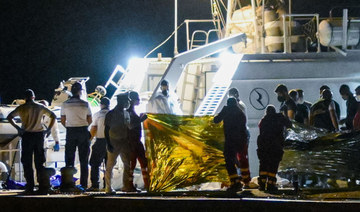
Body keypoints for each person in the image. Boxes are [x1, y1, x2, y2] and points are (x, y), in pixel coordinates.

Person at [7, 89, 56, 194]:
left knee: (27, 162)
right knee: (39, 162)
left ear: (25, 98)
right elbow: (53, 116)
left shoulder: (21, 108)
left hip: (27, 135)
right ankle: (42, 185)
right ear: (33, 97)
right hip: (39, 136)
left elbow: (9, 117)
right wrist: (47, 130)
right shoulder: (40, 107)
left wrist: (18, 128)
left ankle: (30, 186)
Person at [61, 82, 92, 190]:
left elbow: (63, 120)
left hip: (71, 131)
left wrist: (69, 126)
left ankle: (68, 183)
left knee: (69, 158)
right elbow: (90, 120)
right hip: (83, 130)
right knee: (84, 159)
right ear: (80, 91)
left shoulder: (65, 104)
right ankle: (83, 184)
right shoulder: (85, 104)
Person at [214, 97, 249, 192]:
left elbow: (216, 120)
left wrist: (221, 112)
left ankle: (235, 182)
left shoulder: (227, 110)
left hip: (230, 140)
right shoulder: (240, 112)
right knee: (236, 159)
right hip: (240, 141)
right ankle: (240, 180)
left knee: (228, 160)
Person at [104, 93, 135, 194]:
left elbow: (129, 127)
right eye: (127, 101)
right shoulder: (111, 114)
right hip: (113, 141)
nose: (128, 103)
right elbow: (106, 129)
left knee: (127, 164)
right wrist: (108, 143)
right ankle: (108, 188)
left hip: (124, 141)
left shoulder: (126, 113)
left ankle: (126, 186)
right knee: (110, 165)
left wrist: (140, 121)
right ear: (121, 101)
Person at [257, 105, 292, 191]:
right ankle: (271, 184)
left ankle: (262, 184)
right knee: (273, 165)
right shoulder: (279, 118)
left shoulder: (263, 120)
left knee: (263, 165)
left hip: (264, 146)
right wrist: (285, 114)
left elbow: (260, 132)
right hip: (276, 146)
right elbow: (289, 125)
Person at [128, 91, 150, 191]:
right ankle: (130, 185)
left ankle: (147, 184)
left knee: (143, 163)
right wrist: (140, 120)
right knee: (132, 164)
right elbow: (130, 126)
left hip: (136, 141)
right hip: (132, 142)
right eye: (137, 99)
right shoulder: (129, 112)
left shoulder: (132, 111)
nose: (139, 101)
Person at [88, 97, 110, 191]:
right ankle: (108, 185)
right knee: (109, 165)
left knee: (94, 163)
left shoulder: (97, 114)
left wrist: (89, 140)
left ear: (101, 104)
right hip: (111, 142)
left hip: (100, 141)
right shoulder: (113, 114)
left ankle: (95, 185)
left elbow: (93, 129)